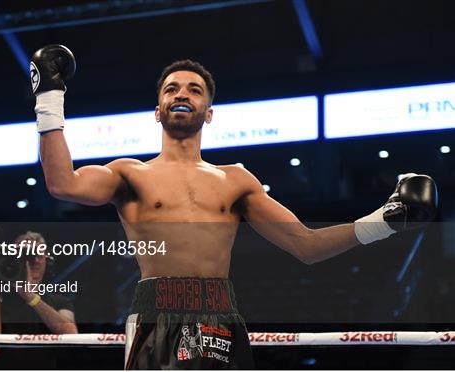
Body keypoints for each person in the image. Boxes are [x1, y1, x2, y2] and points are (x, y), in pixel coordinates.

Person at [30, 45, 438, 369]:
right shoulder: (128, 173)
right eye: (171, 89)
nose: (181, 94)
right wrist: (50, 96)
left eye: (193, 89)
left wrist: (384, 222)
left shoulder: (237, 180)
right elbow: (62, 183)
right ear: (157, 111)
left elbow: (306, 245)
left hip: (221, 316)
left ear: (209, 113)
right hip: (158, 311)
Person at [0, 231, 77, 369]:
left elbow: (72, 336)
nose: (34, 260)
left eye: (38, 254)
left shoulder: (60, 302)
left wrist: (30, 296)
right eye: (27, 255)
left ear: (46, 260)